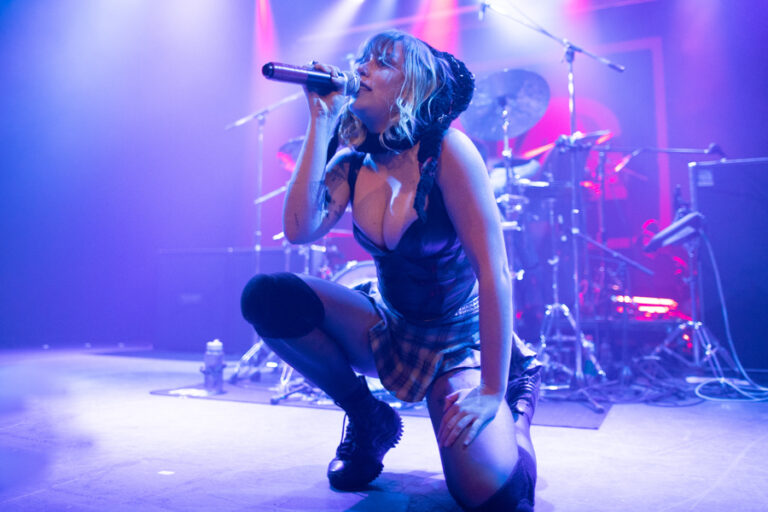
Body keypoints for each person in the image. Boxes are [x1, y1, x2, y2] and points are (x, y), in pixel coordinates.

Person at [241, 29, 541, 511]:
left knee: (491, 496)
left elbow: (495, 273)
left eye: (382, 61)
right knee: (268, 297)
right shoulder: (353, 163)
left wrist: (491, 389)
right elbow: (299, 229)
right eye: (362, 58)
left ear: (412, 86)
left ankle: (518, 403)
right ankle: (367, 417)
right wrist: (321, 121)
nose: (361, 68)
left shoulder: (449, 151)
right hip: (391, 325)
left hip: (455, 339)